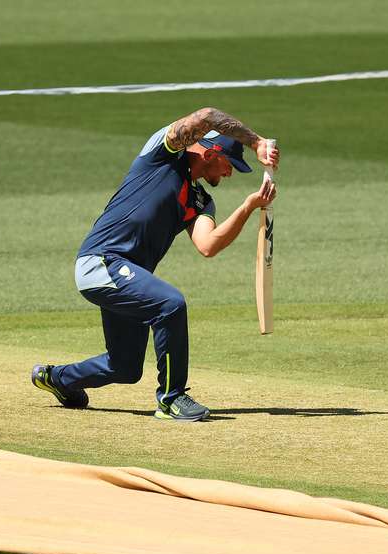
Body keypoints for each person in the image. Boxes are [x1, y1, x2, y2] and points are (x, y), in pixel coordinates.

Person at [31, 107, 279, 422]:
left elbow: (208, 245)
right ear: (209, 153)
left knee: (124, 367)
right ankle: (171, 399)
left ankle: (56, 379)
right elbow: (206, 115)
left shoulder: (200, 200)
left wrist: (247, 207)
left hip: (126, 276)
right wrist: (255, 142)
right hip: (102, 262)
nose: (230, 173)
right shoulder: (162, 156)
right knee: (171, 304)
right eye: (229, 164)